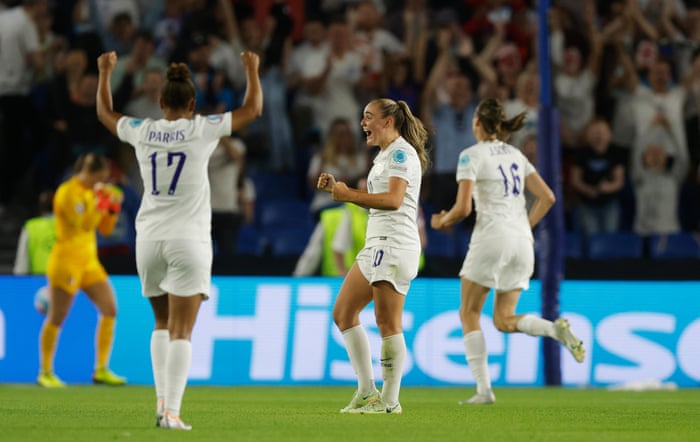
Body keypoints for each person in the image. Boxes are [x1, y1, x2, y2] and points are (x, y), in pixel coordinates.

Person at [96, 49, 262, 430]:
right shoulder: (202, 127)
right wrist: (252, 71)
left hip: (148, 240)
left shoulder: (141, 130)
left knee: (161, 324)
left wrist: (106, 74)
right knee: (183, 331)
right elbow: (252, 110)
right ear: (192, 103)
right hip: (188, 240)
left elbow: (106, 115)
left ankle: (160, 404)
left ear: (159, 102)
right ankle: (171, 411)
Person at [430, 98, 585, 405]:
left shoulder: (470, 155)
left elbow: (463, 208)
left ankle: (484, 391)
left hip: (491, 238)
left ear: (477, 123)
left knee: (469, 312)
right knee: (504, 319)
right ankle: (554, 329)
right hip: (523, 242)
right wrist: (525, 226)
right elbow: (549, 197)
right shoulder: (515, 154)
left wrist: (442, 219)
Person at [317, 98, 429, 414]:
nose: (362, 123)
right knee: (343, 313)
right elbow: (376, 201)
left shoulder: (400, 153)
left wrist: (348, 195)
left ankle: (390, 401)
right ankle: (367, 392)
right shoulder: (383, 156)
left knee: (387, 322)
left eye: (368, 117)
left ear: (388, 122)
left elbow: (394, 200)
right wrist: (338, 192)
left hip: (394, 244)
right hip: (376, 244)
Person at [37, 153, 126, 389]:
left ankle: (101, 369)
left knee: (110, 309)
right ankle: (45, 371)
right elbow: (82, 224)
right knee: (57, 316)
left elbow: (104, 230)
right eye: (101, 177)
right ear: (90, 171)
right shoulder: (68, 192)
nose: (102, 182)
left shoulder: (90, 193)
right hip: (66, 261)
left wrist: (113, 207)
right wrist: (100, 202)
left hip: (89, 262)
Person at [14, 191, 56, 276]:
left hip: (36, 282)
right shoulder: (70, 226)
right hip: (65, 282)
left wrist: (19, 279)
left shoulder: (31, 226)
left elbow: (22, 262)